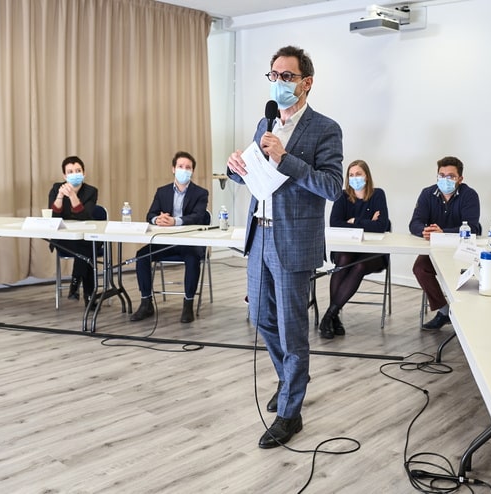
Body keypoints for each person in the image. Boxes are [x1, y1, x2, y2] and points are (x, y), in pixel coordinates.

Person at [226, 46, 343, 449]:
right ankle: (292, 377)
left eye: (287, 76)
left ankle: (290, 414)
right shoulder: (265, 122)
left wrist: (286, 157)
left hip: (294, 241)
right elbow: (253, 178)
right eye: (273, 75)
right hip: (260, 234)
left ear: (306, 82)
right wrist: (235, 168)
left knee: (294, 332)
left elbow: (331, 187)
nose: (278, 82)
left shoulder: (325, 128)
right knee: (260, 316)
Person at [129, 151, 209, 324]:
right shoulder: (162, 192)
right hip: (165, 242)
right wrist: (156, 219)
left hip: (189, 243)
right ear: (173, 169)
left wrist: (175, 221)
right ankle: (146, 302)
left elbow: (198, 217)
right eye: (180, 166)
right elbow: (149, 214)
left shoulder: (201, 193)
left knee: (193, 259)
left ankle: (188, 304)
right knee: (141, 255)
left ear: (192, 171)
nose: (184, 170)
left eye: (188, 167)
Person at [409, 156, 481, 330]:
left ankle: (468, 316)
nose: (445, 180)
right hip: (435, 249)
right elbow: (415, 222)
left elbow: (473, 227)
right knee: (420, 269)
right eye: (441, 175)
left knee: (468, 275)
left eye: (450, 176)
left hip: (463, 250)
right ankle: (444, 311)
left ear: (460, 179)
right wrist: (423, 230)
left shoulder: (469, 195)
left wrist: (443, 232)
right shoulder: (428, 193)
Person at [321, 160, 390, 339]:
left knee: (358, 266)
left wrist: (353, 222)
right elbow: (335, 224)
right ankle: (333, 317)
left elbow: (381, 226)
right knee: (343, 259)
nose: (354, 178)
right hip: (347, 248)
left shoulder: (378, 195)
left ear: (366, 176)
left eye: (358, 174)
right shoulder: (342, 196)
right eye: (351, 175)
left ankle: (329, 315)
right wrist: (368, 223)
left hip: (373, 252)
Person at [48, 156, 98, 304]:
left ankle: (76, 283)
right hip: (63, 237)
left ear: (84, 173)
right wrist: (60, 196)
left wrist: (73, 196)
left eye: (78, 170)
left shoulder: (91, 191)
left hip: (84, 236)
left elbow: (86, 216)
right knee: (88, 250)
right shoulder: (57, 188)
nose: (74, 174)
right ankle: (89, 296)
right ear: (64, 175)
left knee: (87, 245)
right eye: (70, 171)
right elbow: (54, 216)